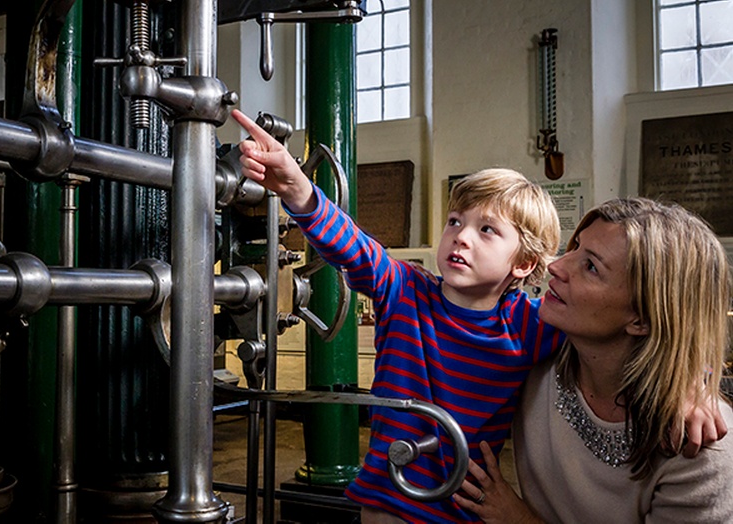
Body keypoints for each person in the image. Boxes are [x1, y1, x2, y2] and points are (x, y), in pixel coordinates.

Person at [232, 108, 564, 522]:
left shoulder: (532, 325)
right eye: (455, 221)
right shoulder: (407, 290)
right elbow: (357, 249)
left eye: (487, 230)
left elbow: (605, 334)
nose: (460, 236)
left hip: (467, 507)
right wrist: (299, 191)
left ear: (525, 263)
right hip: (389, 501)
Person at [455, 197, 733, 523]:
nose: (556, 266)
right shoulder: (534, 352)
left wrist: (518, 519)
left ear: (642, 319)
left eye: (590, 266)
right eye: (574, 249)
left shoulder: (701, 449)